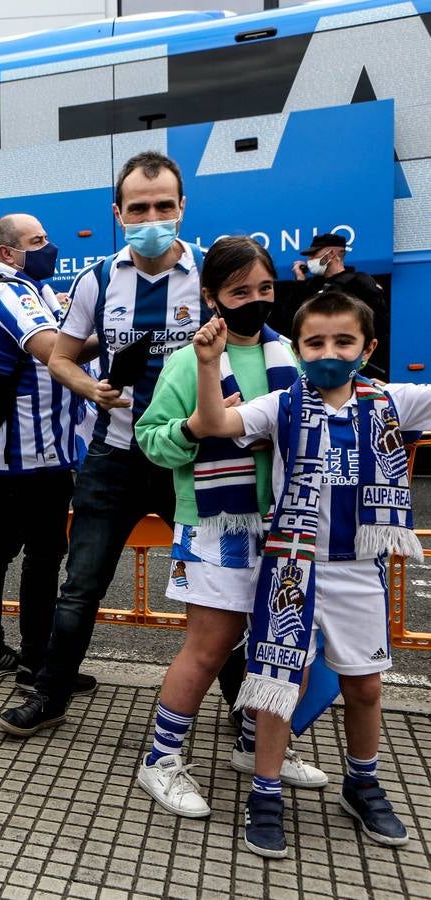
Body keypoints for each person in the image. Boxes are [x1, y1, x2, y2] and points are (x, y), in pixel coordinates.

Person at [0, 151, 221, 737]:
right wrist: (89, 388)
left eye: (164, 206)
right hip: (113, 457)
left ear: (182, 208)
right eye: (139, 208)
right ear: (119, 213)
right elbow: (61, 358)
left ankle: (248, 709)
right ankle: (48, 695)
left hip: (193, 458)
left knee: (222, 584)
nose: (153, 217)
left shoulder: (211, 278)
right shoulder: (97, 278)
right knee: (81, 586)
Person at [190, 291, 421, 857]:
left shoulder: (394, 400)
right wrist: (206, 364)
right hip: (291, 566)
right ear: (298, 348)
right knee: (276, 688)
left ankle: (362, 782)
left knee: (365, 686)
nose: (329, 352)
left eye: (343, 341)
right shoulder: (281, 404)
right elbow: (215, 422)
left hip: (359, 569)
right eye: (315, 342)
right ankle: (265, 793)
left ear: (366, 349)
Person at [132, 236, 326, 819]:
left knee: (281, 644)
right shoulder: (190, 360)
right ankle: (160, 761)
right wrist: (196, 427)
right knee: (210, 647)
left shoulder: (291, 353)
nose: (256, 300)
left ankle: (255, 745)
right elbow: (151, 440)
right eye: (241, 291)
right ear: (212, 296)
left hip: (286, 524)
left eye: (265, 288)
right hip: (215, 524)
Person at [0, 214, 88, 695]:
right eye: (37, 241)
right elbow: (51, 349)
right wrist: (120, 335)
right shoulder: (11, 292)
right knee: (43, 554)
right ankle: (35, 661)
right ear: (7, 252)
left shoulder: (27, 290)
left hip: (17, 450)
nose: (49, 246)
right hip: (31, 452)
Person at [281, 233, 388, 380]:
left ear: (330, 254)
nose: (309, 260)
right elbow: (290, 319)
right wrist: (300, 280)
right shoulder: (311, 285)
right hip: (317, 364)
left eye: (313, 255)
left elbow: (379, 323)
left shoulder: (359, 281)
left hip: (353, 364)